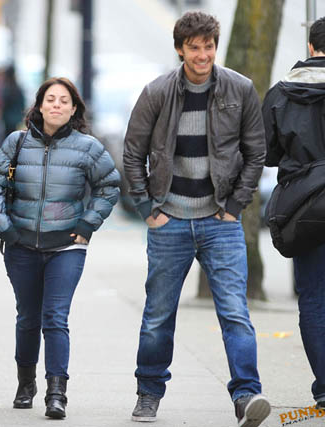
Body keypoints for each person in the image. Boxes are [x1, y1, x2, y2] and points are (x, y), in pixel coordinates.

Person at [123, 11, 270, 426]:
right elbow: (132, 154)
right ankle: (148, 393)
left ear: (215, 47)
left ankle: (247, 396)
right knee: (157, 316)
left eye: (208, 46)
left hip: (219, 221)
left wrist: (234, 207)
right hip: (169, 220)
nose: (202, 54)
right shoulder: (157, 92)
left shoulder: (240, 89)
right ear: (180, 49)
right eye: (194, 47)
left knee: (235, 313)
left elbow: (256, 153)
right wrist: (148, 210)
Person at [0, 77, 120, 419]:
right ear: (39, 105)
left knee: (55, 318)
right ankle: (25, 384)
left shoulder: (88, 147)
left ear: (74, 109)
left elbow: (109, 185)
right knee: (28, 318)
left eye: (64, 101)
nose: (56, 105)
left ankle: (56, 393)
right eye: (50, 99)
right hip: (21, 245)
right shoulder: (16, 143)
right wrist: (6, 230)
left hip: (66, 247)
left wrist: (88, 224)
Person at [262, 16, 325, 411]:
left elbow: (269, 154)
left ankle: (323, 387)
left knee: (314, 298)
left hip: (305, 206)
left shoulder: (279, 93)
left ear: (311, 47)